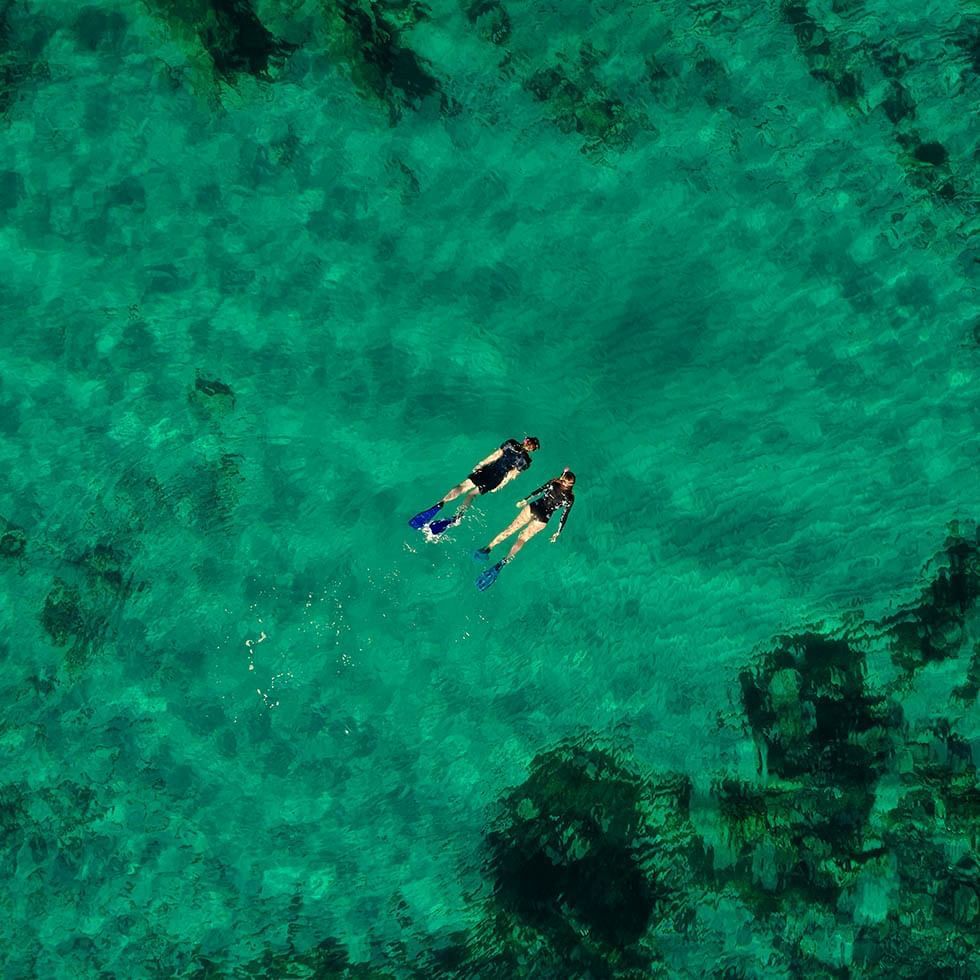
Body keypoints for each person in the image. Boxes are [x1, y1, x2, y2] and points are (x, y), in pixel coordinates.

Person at [409, 436, 540, 534]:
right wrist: (499, 486)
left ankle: (440, 503)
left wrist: (480, 464)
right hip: (496, 478)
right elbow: (511, 476)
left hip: (487, 470)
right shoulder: (525, 461)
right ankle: (457, 518)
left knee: (463, 486)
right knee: (472, 495)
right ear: (532, 450)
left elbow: (495, 455)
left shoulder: (510, 443)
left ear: (525, 440)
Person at [474, 469, 575, 590]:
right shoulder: (570, 498)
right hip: (543, 518)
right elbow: (564, 516)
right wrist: (557, 533)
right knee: (522, 539)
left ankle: (487, 548)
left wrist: (525, 499)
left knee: (510, 529)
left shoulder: (553, 483)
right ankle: (505, 560)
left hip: (534, 507)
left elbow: (539, 491)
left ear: (562, 479)